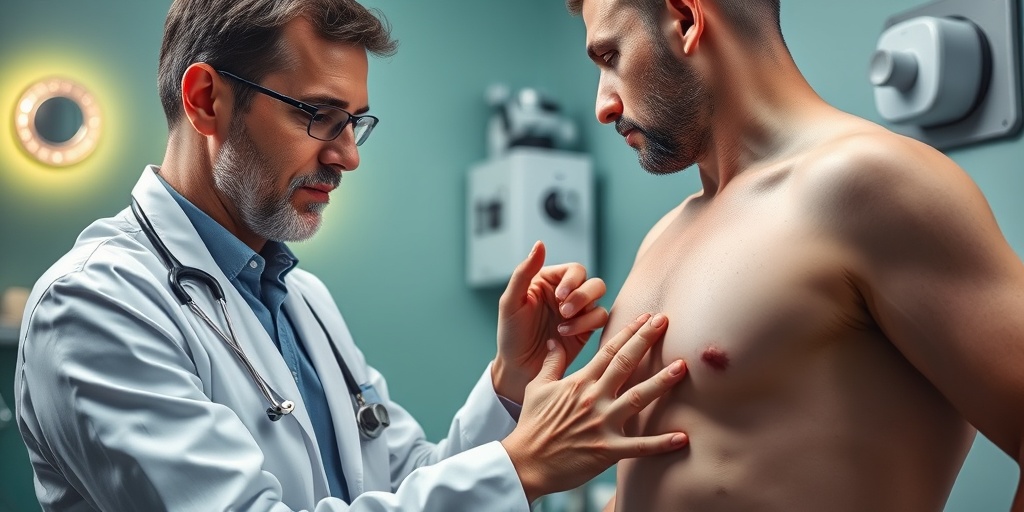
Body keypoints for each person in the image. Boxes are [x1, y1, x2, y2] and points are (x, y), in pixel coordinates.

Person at [12, 1, 694, 510]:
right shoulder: (94, 304)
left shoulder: (301, 299)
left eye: (355, 121)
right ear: (205, 100)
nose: (347, 155)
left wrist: (510, 383)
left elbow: (406, 484)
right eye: (318, 116)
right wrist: (520, 469)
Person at [566, 0, 1024, 510]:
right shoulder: (663, 235)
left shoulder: (866, 183)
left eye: (611, 56)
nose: (603, 106)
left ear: (686, 20)